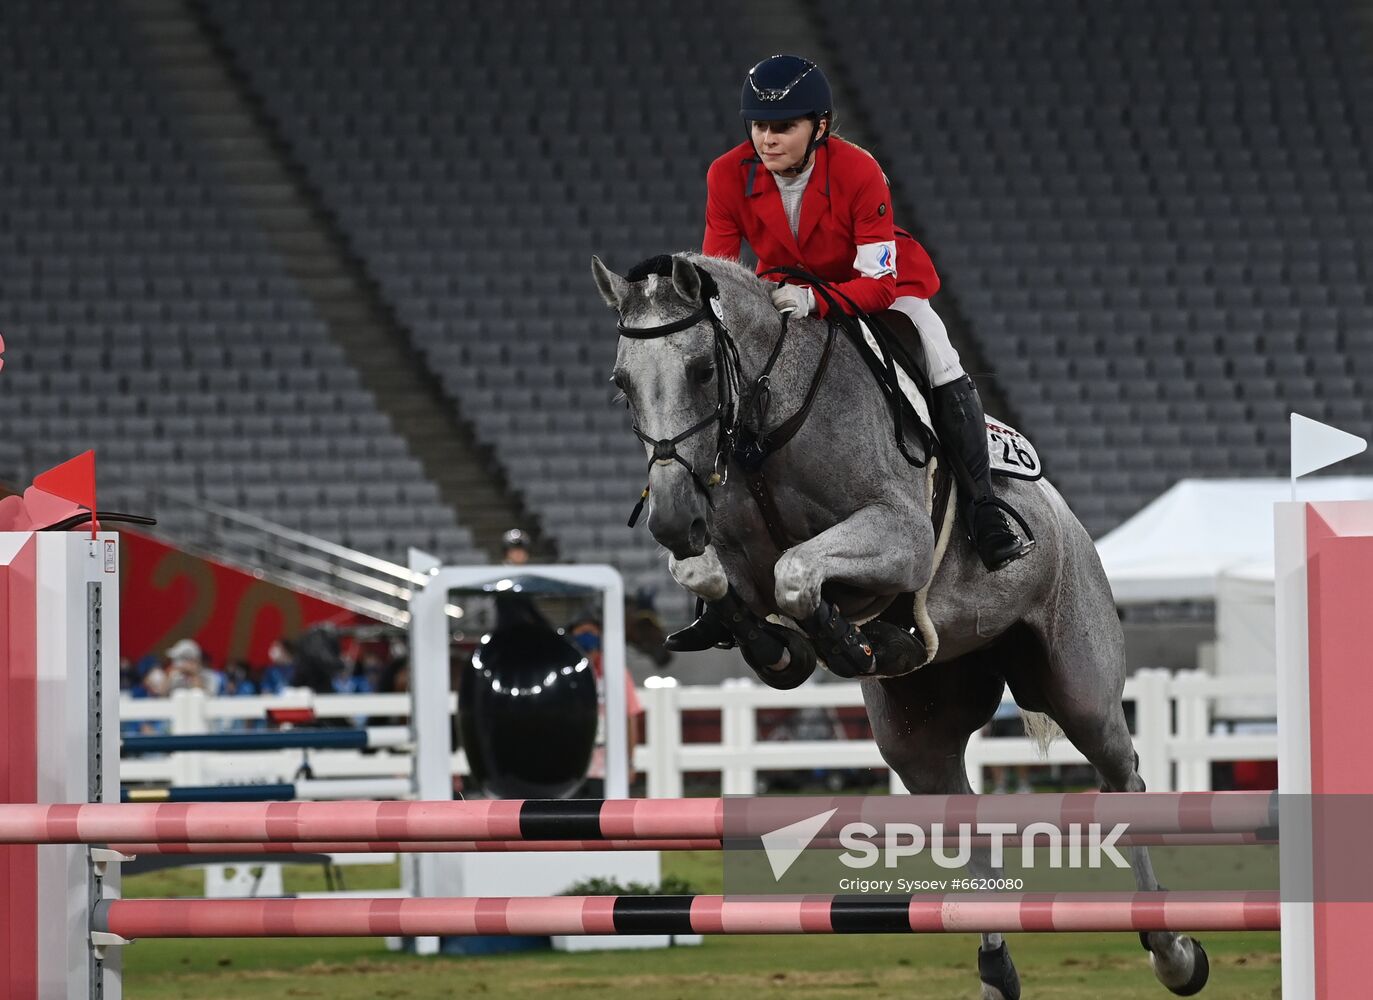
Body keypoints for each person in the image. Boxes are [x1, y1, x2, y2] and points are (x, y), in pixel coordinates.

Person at [669, 54, 1032, 652]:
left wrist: (814, 302)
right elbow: (719, 271)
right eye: (758, 125)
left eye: (782, 126)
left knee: (936, 347)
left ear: (820, 127)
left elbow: (879, 284)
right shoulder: (726, 174)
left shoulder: (859, 171)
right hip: (779, 295)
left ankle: (984, 508)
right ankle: (722, 576)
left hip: (867, 291)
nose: (767, 138)